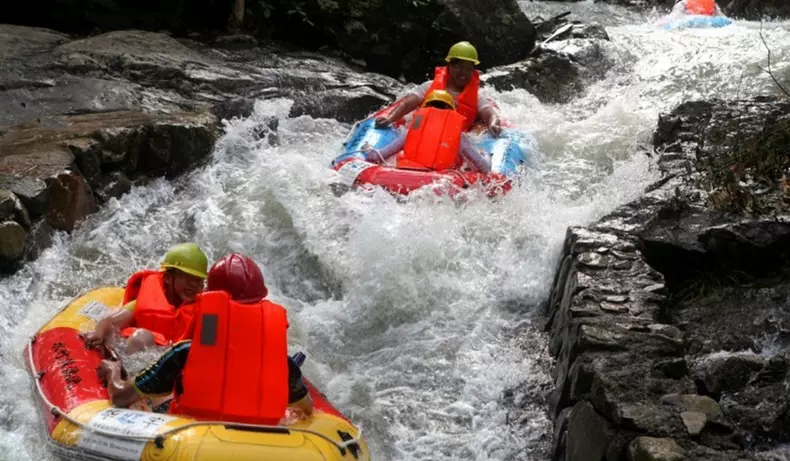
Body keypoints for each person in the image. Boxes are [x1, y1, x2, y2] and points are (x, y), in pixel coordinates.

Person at [97, 253, 314, 422]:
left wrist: (113, 371)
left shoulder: (185, 352)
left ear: (213, 303)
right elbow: (306, 408)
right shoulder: (281, 362)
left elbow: (121, 396)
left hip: (191, 438)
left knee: (150, 397)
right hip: (259, 444)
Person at [83, 243, 208, 353]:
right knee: (141, 337)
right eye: (187, 277)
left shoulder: (203, 309)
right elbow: (110, 321)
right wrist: (98, 332)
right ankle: (119, 369)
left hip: (177, 361)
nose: (194, 285)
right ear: (168, 278)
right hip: (141, 356)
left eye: (199, 280)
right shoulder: (144, 302)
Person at [374, 41, 503, 137]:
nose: (463, 72)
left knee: (479, 126)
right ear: (450, 66)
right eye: (459, 66)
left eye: (468, 68)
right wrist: (390, 118)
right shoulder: (429, 86)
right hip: (426, 131)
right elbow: (407, 103)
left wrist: (493, 124)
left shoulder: (477, 96)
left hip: (457, 139)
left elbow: (491, 114)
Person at [364, 90, 492, 173]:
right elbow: (484, 167)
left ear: (424, 109)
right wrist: (485, 154)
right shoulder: (458, 137)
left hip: (406, 174)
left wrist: (367, 148)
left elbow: (378, 157)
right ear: (451, 111)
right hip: (439, 181)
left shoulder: (411, 131)